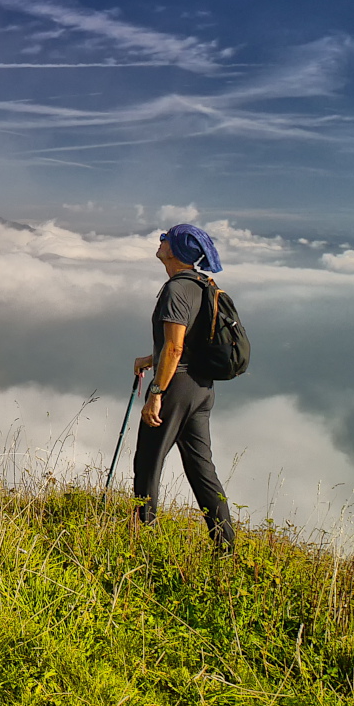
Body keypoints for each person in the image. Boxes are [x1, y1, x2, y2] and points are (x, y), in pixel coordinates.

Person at [129, 222, 236, 553]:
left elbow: (175, 348)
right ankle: (225, 547)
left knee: (148, 461)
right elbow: (188, 343)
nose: (160, 242)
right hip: (201, 388)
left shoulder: (176, 290)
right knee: (202, 468)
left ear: (175, 251)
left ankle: (141, 541)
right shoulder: (202, 285)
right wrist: (151, 358)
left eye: (166, 239)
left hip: (175, 387)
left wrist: (156, 394)